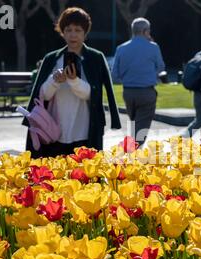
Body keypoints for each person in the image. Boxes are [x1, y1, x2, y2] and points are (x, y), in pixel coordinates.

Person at [23, 7, 121, 158]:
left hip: (84, 133)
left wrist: (74, 81)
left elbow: (93, 94)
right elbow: (43, 96)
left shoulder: (95, 58)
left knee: (85, 178)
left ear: (85, 33)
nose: (73, 35)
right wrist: (55, 81)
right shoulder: (52, 58)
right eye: (68, 30)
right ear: (63, 32)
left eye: (78, 30)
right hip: (53, 133)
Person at [111, 17, 165, 147]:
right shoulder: (153, 47)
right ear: (146, 31)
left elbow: (114, 75)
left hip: (128, 92)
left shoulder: (121, 48)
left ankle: (131, 151)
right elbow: (161, 68)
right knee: (141, 131)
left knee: (135, 124)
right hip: (147, 92)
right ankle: (132, 154)